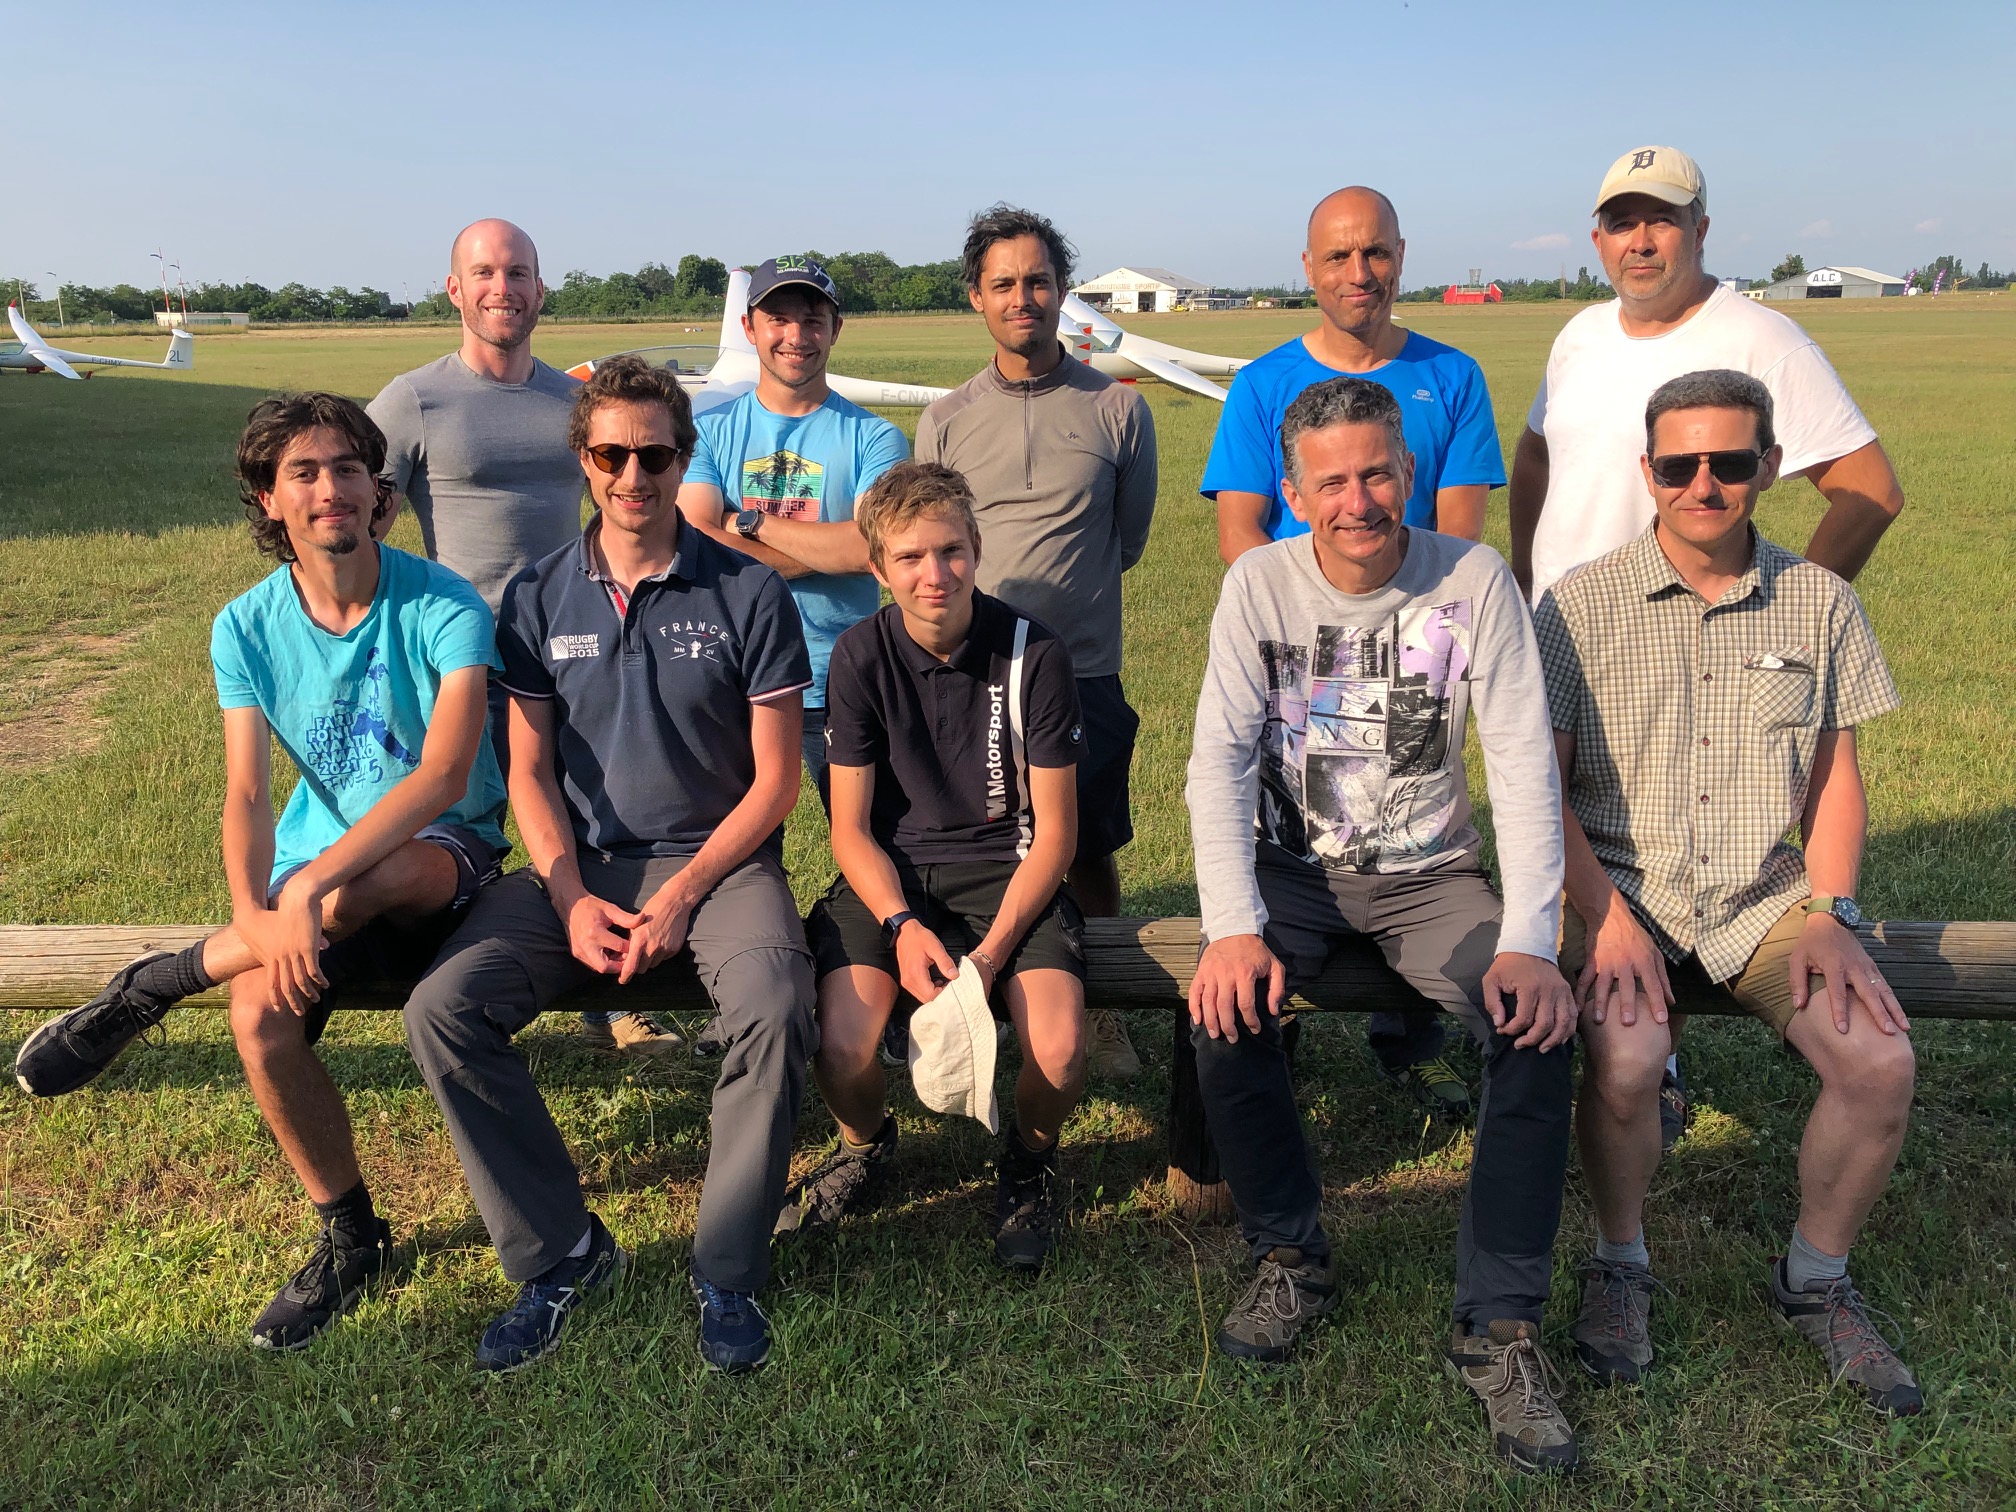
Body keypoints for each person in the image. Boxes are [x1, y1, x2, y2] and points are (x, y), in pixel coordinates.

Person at [15, 394, 510, 1353]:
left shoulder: (444, 601)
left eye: (349, 469)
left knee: (381, 875)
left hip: (441, 856)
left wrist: (313, 887)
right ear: (267, 500)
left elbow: (447, 772)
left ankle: (160, 980)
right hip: (301, 889)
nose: (331, 489)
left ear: (381, 493)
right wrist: (258, 912)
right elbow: (246, 792)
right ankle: (349, 1229)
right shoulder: (242, 626)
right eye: (304, 473)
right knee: (256, 1019)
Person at [1186, 376, 1581, 1473]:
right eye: (1331, 482)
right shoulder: (1259, 585)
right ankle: (1290, 1255)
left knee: (1537, 1025)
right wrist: (1231, 925)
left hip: (1430, 876)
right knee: (1221, 1016)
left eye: (1377, 474)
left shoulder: (1472, 578)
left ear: (1408, 473)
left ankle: (1499, 1324)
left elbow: (1517, 759)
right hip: (1293, 871)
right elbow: (1216, 759)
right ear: (1291, 489)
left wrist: (1530, 942)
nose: (1357, 501)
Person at [401, 357, 817, 1375]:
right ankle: (562, 1253)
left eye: (656, 453)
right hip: (575, 868)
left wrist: (681, 894)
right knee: (441, 1008)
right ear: (583, 460)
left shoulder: (750, 591)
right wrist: (571, 895)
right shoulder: (539, 596)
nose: (635, 475)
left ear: (684, 457)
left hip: (716, 867)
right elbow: (529, 773)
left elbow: (774, 786)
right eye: (611, 454)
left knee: (772, 999)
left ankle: (724, 1268)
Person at [1536, 369, 1921, 1416]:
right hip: (1622, 887)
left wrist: (1835, 915)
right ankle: (1621, 1261)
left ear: (1771, 468)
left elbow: (1836, 779)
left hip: (1764, 899)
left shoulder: (1822, 601)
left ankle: (1817, 1279)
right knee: (1623, 1055)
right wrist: (1604, 920)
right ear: (1647, 471)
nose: (1704, 484)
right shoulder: (1577, 606)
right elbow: (1541, 788)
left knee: (1880, 1062)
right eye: (1679, 464)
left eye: (1731, 462)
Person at [1508, 145, 1907, 1149]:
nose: (1640, 239)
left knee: (1674, 837)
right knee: (1573, 844)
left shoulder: (1760, 336)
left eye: (1663, 219)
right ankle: (1607, 1062)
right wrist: (1524, 576)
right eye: (1620, 220)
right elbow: (1538, 451)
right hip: (1573, 644)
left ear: (1701, 230)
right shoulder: (1579, 335)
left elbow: (1869, 485)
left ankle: (1646, 1074)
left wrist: (1776, 608)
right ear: (1597, 237)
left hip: (1687, 648)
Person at [1199, 185, 1507, 1120]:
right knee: (1298, 809)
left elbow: (1458, 537)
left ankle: (1412, 1035)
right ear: (1309, 269)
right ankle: (1273, 1030)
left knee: (1404, 811)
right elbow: (1239, 529)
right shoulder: (1261, 384)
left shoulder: (1452, 377)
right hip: (1301, 640)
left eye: (1374, 253)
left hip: (1420, 648)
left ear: (1401, 257)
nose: (1358, 273)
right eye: (1337, 257)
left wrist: (1393, 623)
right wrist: (1318, 615)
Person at [368, 217, 681, 1059]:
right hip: (459, 664)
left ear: (541, 289)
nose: (502, 286)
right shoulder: (415, 398)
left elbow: (626, 498)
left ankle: (615, 995)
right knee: (461, 834)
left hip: (572, 648)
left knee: (589, 819)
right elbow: (361, 508)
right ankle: (457, 985)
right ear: (455, 290)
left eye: (519, 272)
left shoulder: (570, 403)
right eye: (485, 272)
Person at [777, 462, 1088, 1273]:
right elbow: (848, 830)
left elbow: (1055, 835)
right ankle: (868, 1146)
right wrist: (901, 924)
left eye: (950, 551)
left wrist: (986, 960)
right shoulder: (857, 653)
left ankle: (1027, 1162)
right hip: (893, 878)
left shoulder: (1034, 652)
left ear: (977, 548)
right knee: (842, 1047)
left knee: (1057, 1049)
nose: (934, 574)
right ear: (877, 569)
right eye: (909, 558)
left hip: (1008, 875)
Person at [915, 204, 1154, 1082]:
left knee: (1086, 849)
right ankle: (995, 992)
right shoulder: (943, 420)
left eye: (1040, 281)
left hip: (1081, 672)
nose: (1025, 297)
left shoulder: (1119, 411)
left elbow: (1126, 543)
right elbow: (934, 540)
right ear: (978, 297)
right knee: (983, 845)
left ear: (1063, 293)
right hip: (973, 672)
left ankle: (1102, 1014)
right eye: (1005, 283)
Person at [675, 254, 909, 804]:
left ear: (835, 330)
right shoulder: (706, 433)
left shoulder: (876, 439)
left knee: (873, 833)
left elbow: (868, 548)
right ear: (748, 327)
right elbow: (693, 538)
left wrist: (747, 523)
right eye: (778, 318)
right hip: (730, 673)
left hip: (840, 673)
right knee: (725, 844)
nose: (796, 336)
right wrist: (830, 544)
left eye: (812, 319)